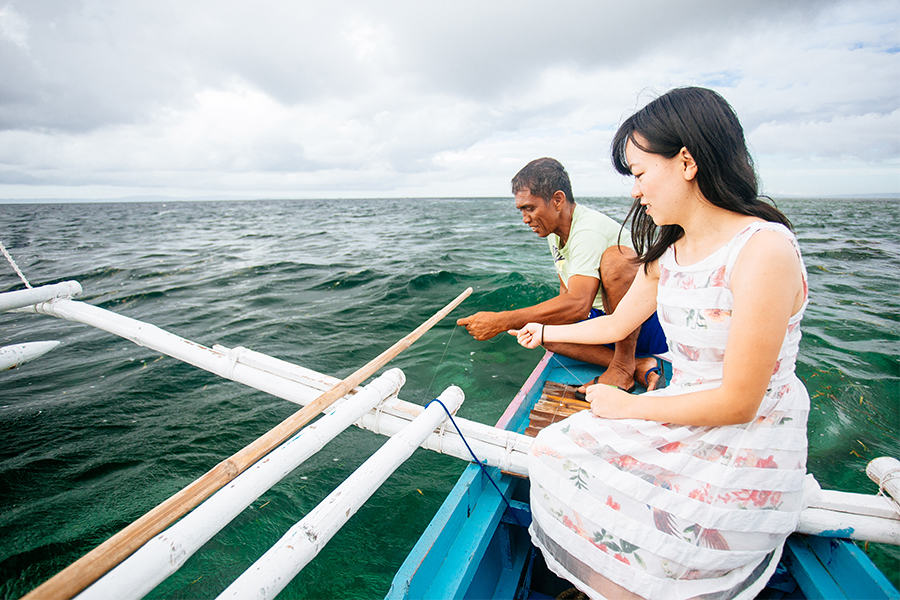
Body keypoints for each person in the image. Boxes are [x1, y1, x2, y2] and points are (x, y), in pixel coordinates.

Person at [511, 87, 810, 599]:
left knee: (670, 530)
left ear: (687, 162)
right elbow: (611, 325)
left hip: (745, 434)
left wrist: (628, 408)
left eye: (640, 173)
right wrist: (545, 332)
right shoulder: (670, 253)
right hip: (678, 409)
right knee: (553, 452)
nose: (634, 190)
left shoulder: (762, 250)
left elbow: (740, 402)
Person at [457, 157, 668, 392]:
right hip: (606, 323)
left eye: (530, 208)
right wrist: (531, 326)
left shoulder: (587, 230)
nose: (525, 219)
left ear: (558, 200)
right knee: (541, 332)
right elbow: (566, 297)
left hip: (646, 325)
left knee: (616, 259)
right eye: (521, 210)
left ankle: (622, 367)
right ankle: (637, 365)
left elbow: (577, 304)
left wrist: (500, 320)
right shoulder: (554, 233)